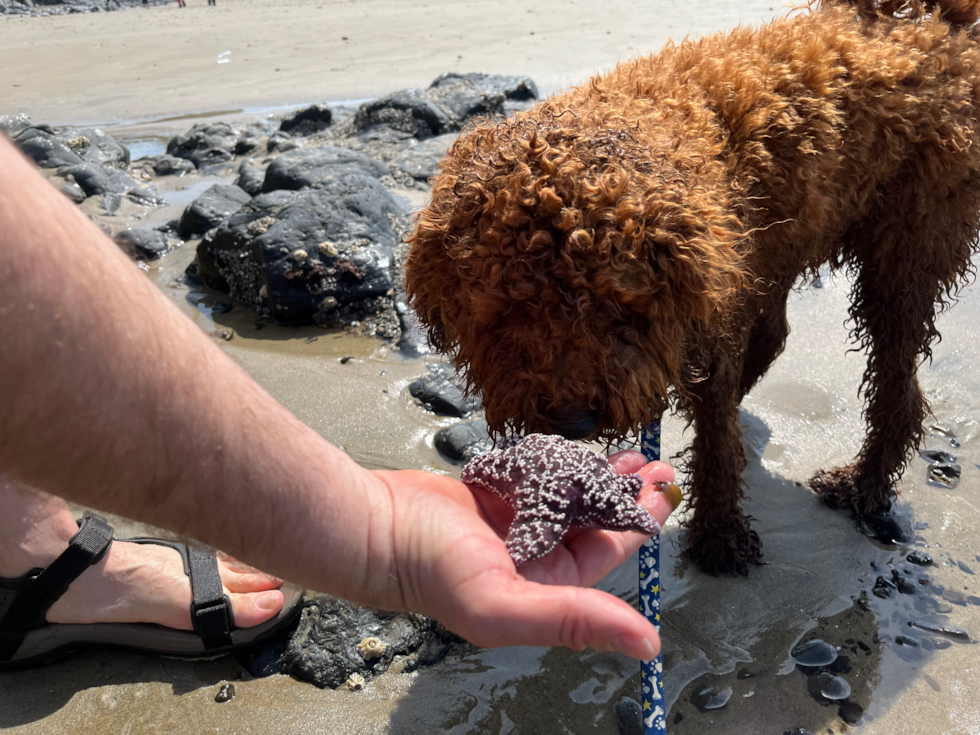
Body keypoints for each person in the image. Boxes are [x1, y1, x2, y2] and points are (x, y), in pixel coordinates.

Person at [0, 135, 679, 665]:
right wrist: (369, 531)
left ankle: (18, 545)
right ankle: (33, 561)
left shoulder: (541, 456)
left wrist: (373, 526)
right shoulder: (543, 456)